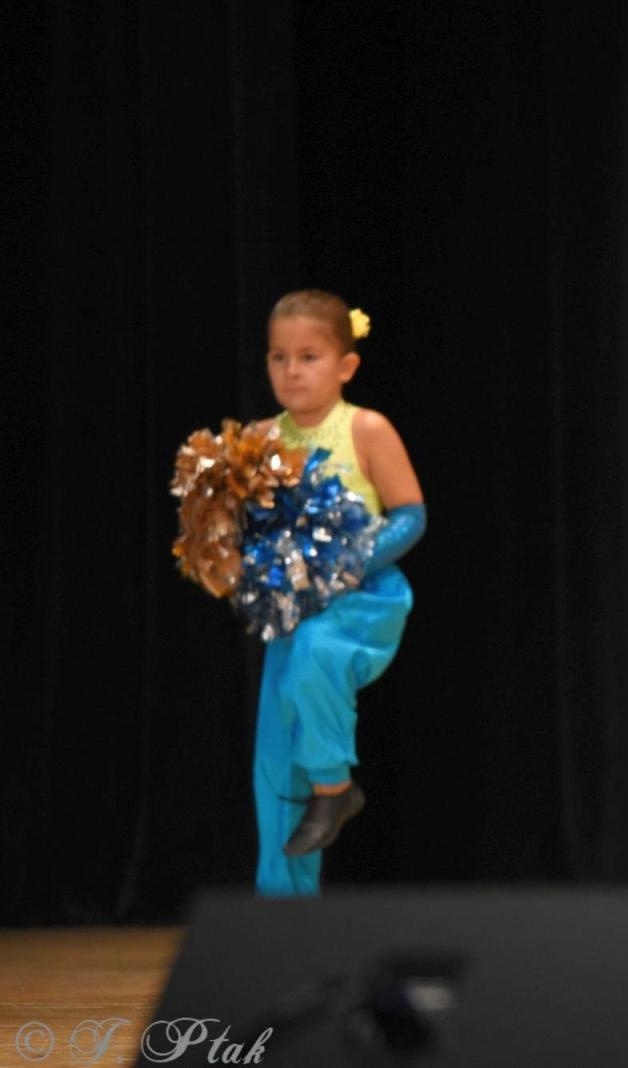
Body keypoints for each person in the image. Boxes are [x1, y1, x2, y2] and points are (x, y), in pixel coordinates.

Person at [254, 291, 425, 896]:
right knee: (276, 759)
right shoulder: (258, 438)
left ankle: (335, 787)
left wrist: (348, 562)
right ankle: (283, 911)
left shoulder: (366, 428)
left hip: (364, 600)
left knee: (314, 661)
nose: (292, 370)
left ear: (345, 366)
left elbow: (410, 515)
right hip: (293, 610)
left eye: (309, 356)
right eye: (279, 356)